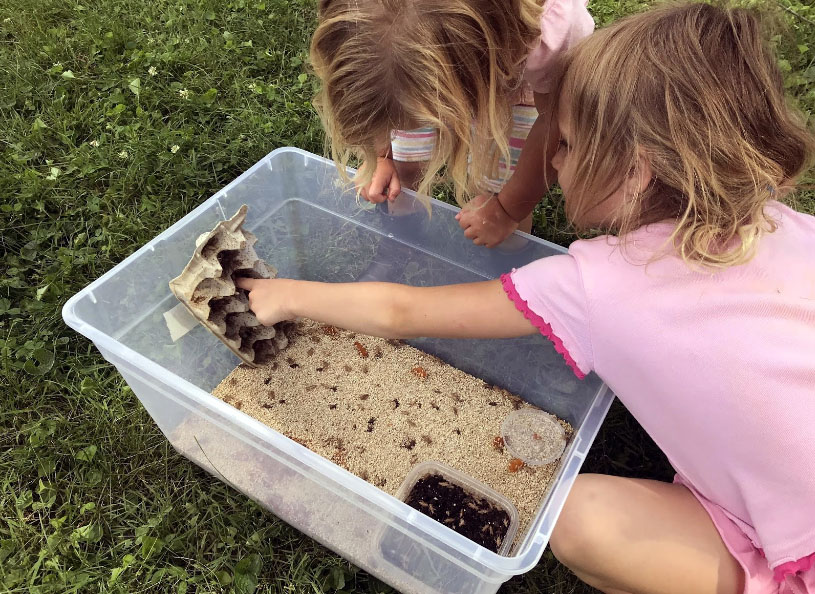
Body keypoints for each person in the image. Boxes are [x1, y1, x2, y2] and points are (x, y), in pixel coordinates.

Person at [241, 3, 815, 592]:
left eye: (562, 142)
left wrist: (284, 294)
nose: (549, 158)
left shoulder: (591, 287)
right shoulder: (789, 227)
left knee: (574, 523)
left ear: (637, 172)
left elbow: (400, 311)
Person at [309, 0, 594, 249]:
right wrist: (385, 156)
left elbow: (553, 123)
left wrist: (508, 209)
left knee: (494, 184)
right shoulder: (370, 30)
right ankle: (399, 245)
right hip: (418, 71)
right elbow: (376, 94)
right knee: (404, 163)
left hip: (519, 91)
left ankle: (505, 272)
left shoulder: (554, 33)